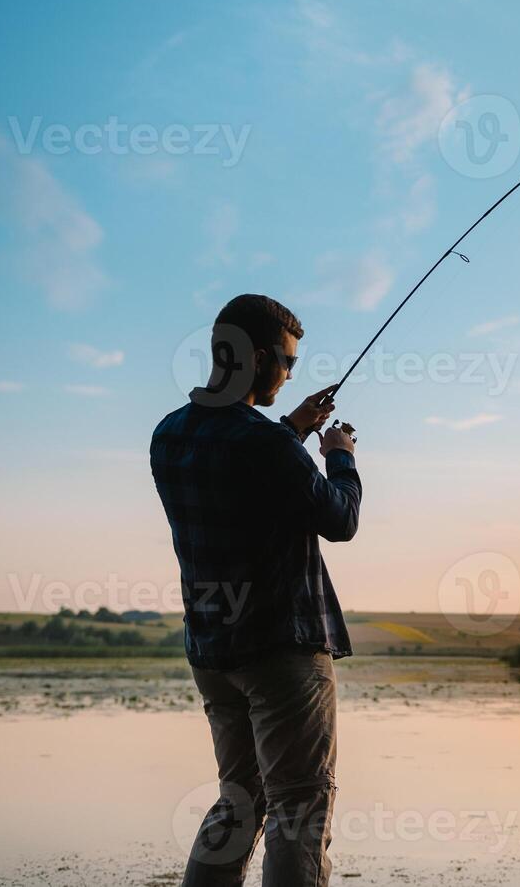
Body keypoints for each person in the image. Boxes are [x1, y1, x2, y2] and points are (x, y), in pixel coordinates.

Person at [150, 293, 361, 887]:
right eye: (289, 362)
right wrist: (340, 457)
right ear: (262, 358)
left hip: (212, 650)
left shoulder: (168, 436)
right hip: (282, 649)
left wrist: (293, 428)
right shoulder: (265, 445)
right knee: (300, 807)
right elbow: (339, 520)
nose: (292, 373)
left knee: (238, 802)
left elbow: (242, 469)